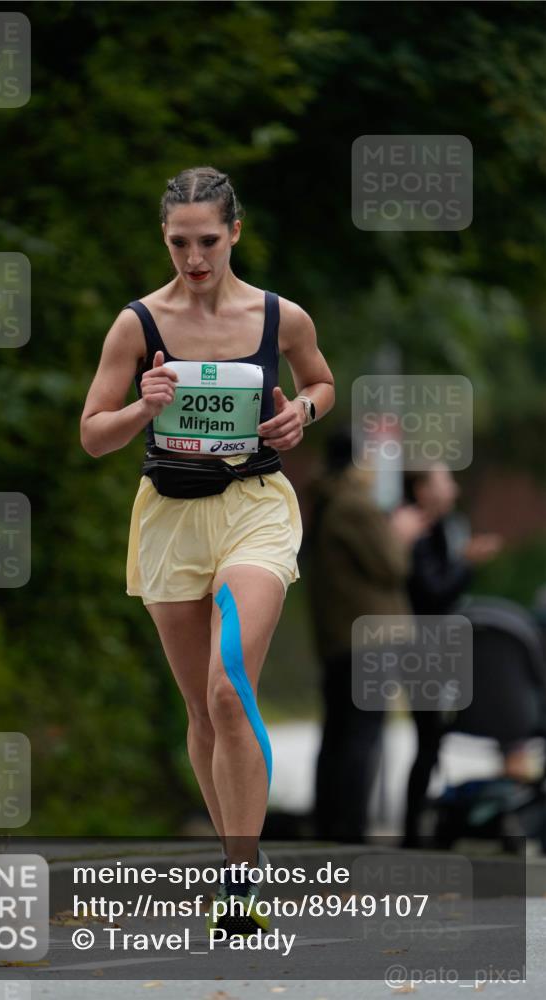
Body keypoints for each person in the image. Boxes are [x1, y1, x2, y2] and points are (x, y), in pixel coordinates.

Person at [80, 166, 334, 932]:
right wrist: (139, 408)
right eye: (179, 242)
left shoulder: (277, 317)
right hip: (169, 517)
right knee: (200, 707)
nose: (194, 258)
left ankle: (241, 881)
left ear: (235, 233)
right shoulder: (138, 324)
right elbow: (93, 433)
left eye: (208, 241)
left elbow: (319, 382)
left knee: (231, 689)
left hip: (254, 508)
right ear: (164, 237)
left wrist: (303, 416)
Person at [307, 427, 427, 842]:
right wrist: (404, 534)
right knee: (362, 736)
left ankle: (330, 828)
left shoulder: (327, 501)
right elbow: (393, 565)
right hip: (371, 640)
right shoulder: (355, 506)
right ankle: (350, 833)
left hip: (342, 638)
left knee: (338, 733)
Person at [402, 463, 503, 846]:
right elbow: (432, 593)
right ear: (423, 489)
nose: (454, 489)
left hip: (440, 646)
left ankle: (424, 826)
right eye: (446, 481)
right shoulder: (416, 531)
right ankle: (412, 832)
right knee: (427, 738)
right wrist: (468, 563)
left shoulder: (446, 527)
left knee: (431, 740)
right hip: (420, 647)